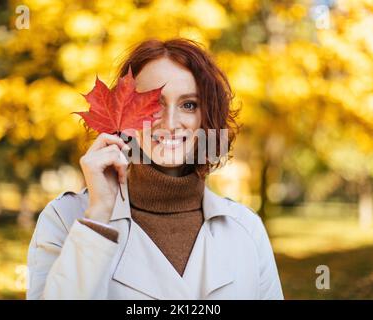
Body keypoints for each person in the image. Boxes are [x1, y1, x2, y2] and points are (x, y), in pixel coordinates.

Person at [26, 38, 284, 300]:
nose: (171, 123)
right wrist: (98, 215)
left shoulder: (246, 228)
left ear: (206, 118)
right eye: (154, 104)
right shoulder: (66, 218)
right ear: (124, 114)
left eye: (189, 105)